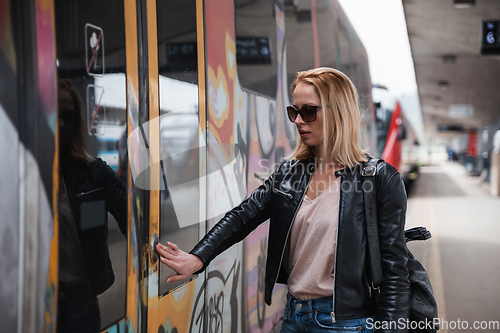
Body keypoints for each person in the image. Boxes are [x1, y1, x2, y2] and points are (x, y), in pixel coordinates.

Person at [155, 68, 410, 333]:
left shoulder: (379, 179)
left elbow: (395, 273)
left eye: (309, 111)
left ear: (338, 112)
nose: (299, 121)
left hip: (347, 323)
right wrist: (199, 257)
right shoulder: (290, 172)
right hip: (294, 316)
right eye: (294, 111)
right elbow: (244, 215)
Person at [57, 79, 127, 332]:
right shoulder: (19, 175)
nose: (62, 124)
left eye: (69, 116)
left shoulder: (94, 173)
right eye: (55, 114)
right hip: (33, 300)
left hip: (81, 303)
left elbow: (132, 218)